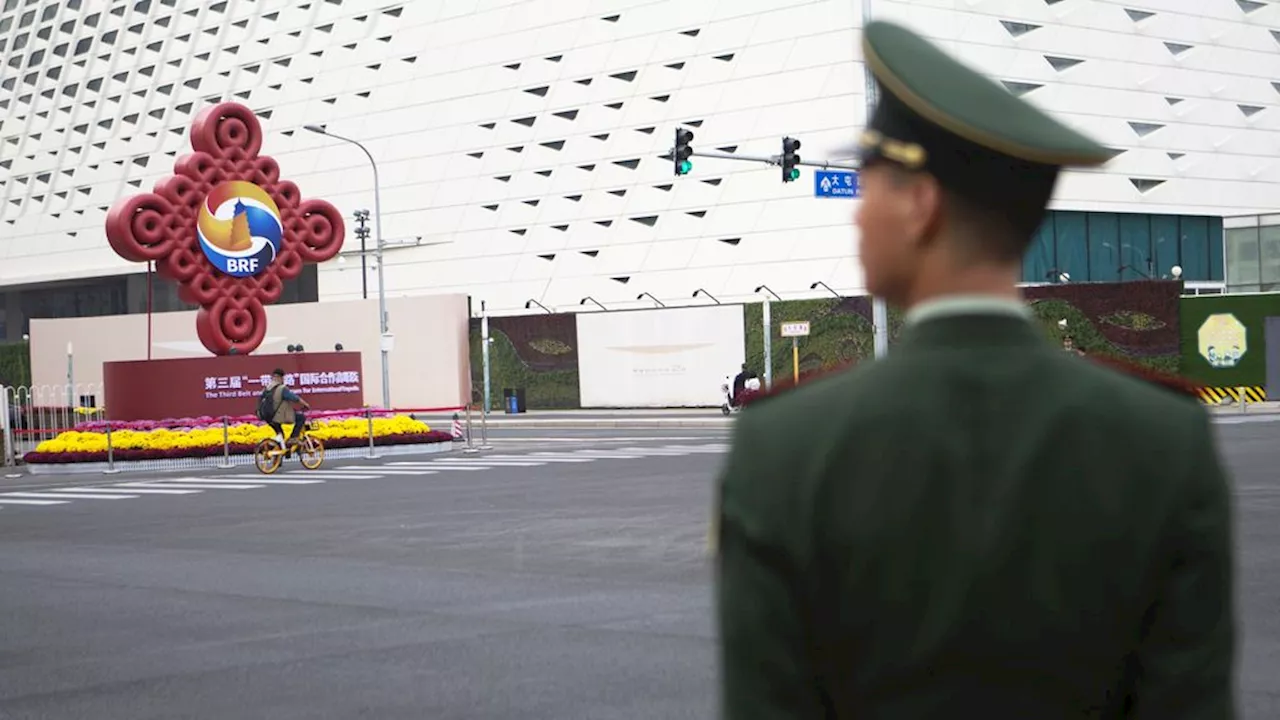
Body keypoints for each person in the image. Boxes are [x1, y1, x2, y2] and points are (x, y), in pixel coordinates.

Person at [716, 20, 1236, 719]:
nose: (857, 214)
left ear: (920, 204)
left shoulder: (783, 445)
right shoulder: (1166, 440)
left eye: (868, 185)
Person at [264, 368, 310, 451]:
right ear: (281, 378)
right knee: (301, 418)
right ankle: (294, 438)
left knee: (280, 436)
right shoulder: (282, 388)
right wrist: (305, 404)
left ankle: (277, 457)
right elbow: (294, 398)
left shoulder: (267, 388)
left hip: (268, 416)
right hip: (278, 416)